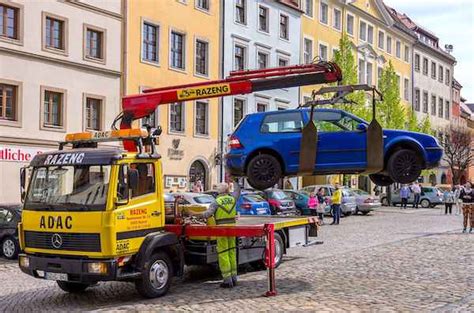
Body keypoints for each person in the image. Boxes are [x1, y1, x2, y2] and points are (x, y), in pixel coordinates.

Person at [199, 180, 241, 287]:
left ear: (219, 191)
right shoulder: (232, 199)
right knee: (232, 252)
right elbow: (238, 192)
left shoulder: (217, 201)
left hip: (221, 230)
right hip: (232, 229)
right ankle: (234, 278)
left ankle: (227, 280)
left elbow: (207, 214)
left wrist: (195, 214)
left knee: (223, 253)